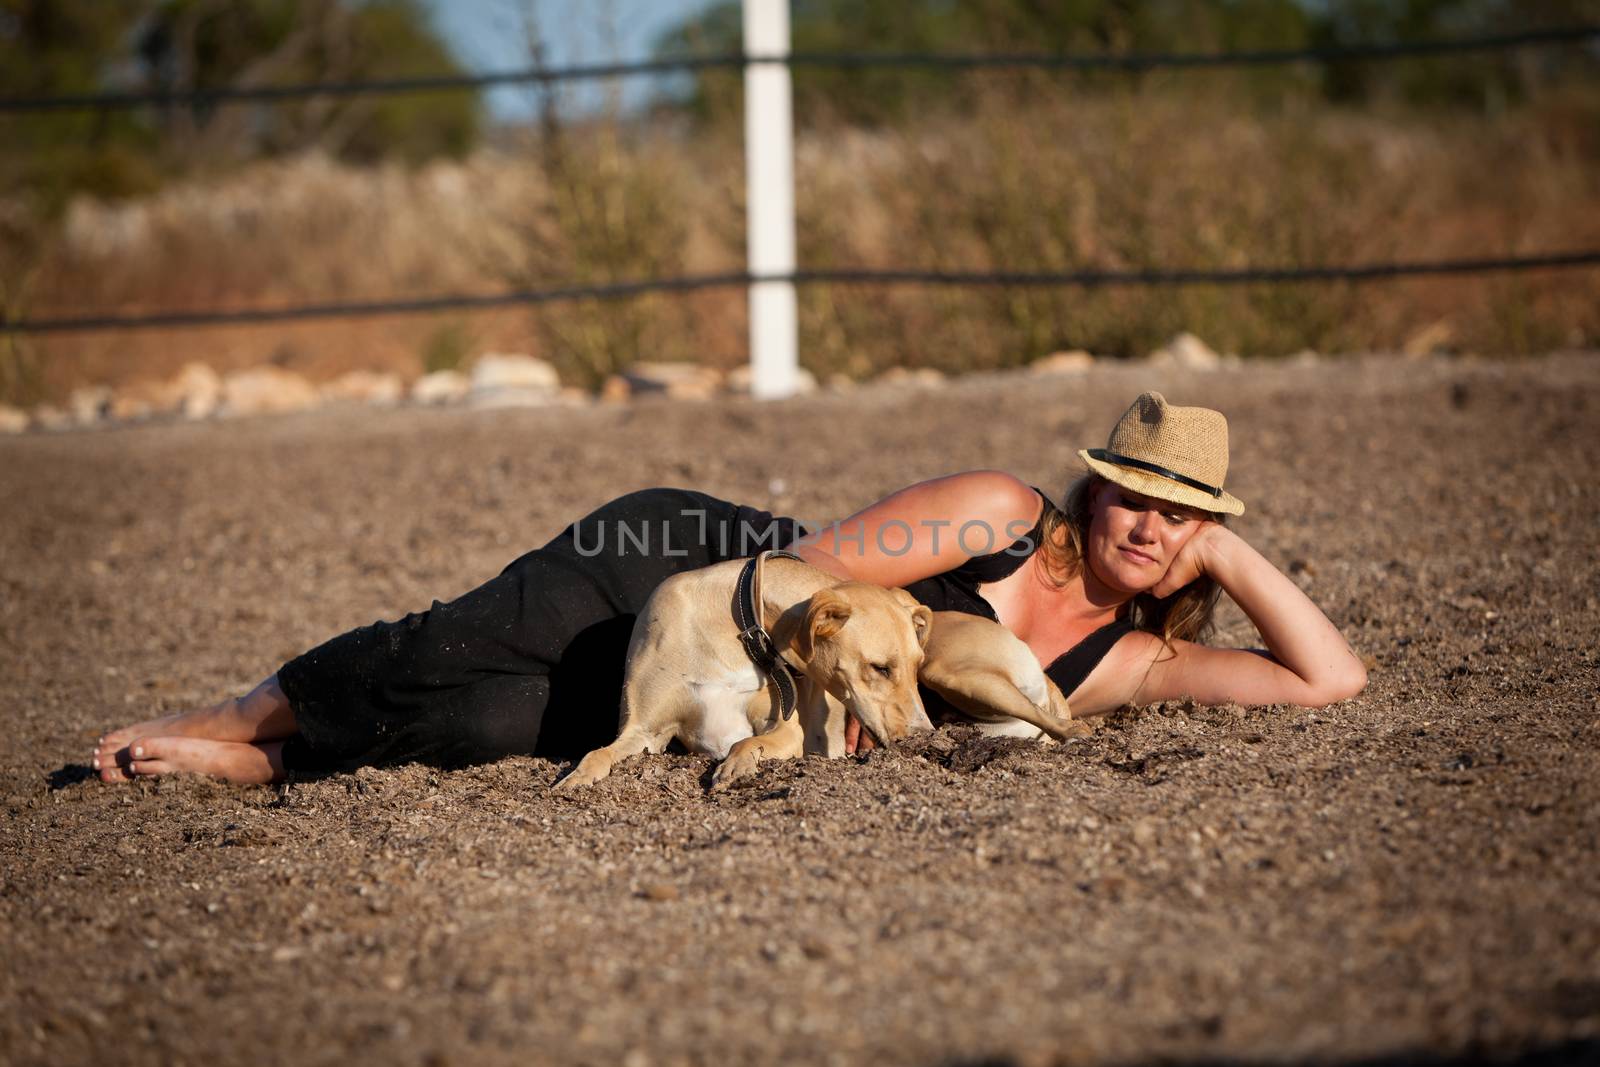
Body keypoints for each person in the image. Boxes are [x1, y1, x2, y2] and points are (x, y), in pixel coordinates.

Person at [92, 391, 1366, 784]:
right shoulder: (994, 509)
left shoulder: (1125, 664)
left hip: (743, 692)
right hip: (697, 569)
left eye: (1180, 517)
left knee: (487, 731)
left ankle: (256, 768)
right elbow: (812, 579)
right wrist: (768, 702)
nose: (1147, 526)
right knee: (453, 646)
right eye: (1134, 495)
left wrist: (1237, 559)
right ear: (1091, 491)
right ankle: (229, 712)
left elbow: (1329, 681)